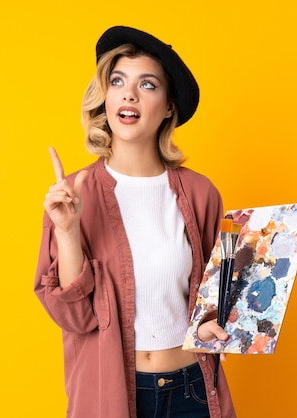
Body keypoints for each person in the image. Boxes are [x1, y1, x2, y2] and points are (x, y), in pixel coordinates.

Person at [34, 26, 236, 418]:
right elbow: (74, 317)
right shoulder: (75, 193)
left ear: (169, 107)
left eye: (147, 84)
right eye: (117, 81)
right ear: (105, 99)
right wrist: (68, 230)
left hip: (192, 390)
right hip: (114, 394)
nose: (129, 93)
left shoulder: (202, 194)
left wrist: (214, 326)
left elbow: (220, 294)